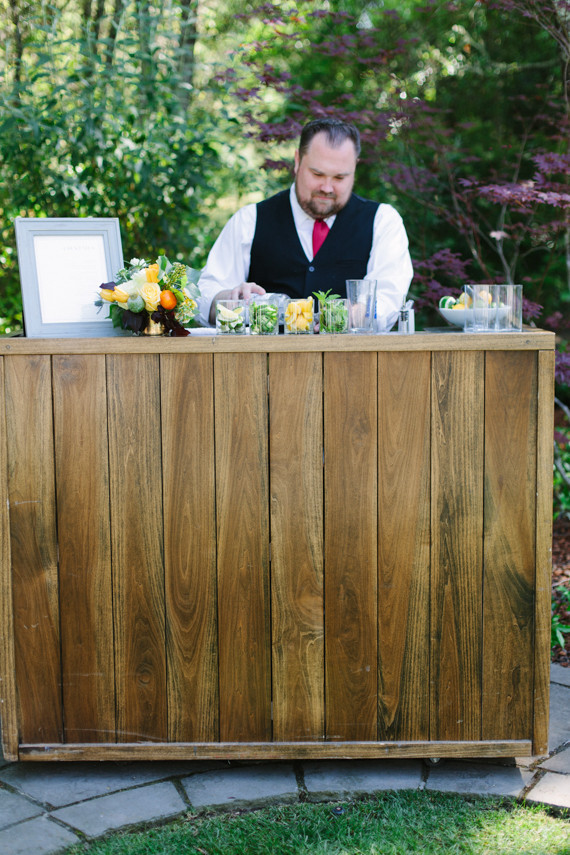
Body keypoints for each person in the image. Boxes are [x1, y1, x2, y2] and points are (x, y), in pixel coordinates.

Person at [196, 118, 413, 329]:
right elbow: (204, 297)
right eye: (317, 174)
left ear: (354, 168)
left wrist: (357, 313)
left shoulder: (383, 222)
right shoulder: (249, 220)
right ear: (297, 161)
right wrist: (229, 299)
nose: (327, 188)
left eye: (339, 178)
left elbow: (389, 299)